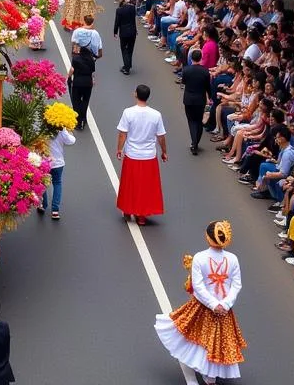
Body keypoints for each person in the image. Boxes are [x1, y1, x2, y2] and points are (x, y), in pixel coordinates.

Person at [154, 220, 246, 383]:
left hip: (202, 308)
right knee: (216, 344)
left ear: (207, 237)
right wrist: (224, 304)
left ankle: (193, 379)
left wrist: (214, 304)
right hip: (223, 310)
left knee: (188, 341)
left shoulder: (200, 257)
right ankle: (209, 378)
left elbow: (198, 286)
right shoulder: (233, 259)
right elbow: (236, 284)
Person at [116, 84, 168, 226]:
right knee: (146, 186)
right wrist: (164, 152)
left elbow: (123, 134)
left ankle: (128, 210)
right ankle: (142, 216)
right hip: (149, 155)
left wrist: (119, 149)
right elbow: (161, 136)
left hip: (132, 153)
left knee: (130, 183)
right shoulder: (156, 115)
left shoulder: (128, 112)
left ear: (135, 94)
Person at [180, 49, 212, 155]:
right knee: (198, 121)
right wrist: (210, 97)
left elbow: (183, 82)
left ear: (191, 58)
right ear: (200, 58)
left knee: (191, 121)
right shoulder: (205, 71)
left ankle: (194, 142)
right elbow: (208, 87)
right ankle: (196, 142)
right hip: (200, 99)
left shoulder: (186, 70)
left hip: (188, 99)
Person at [68, 42, 96, 130]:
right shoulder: (91, 60)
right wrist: (93, 80)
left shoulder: (76, 59)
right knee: (85, 101)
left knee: (76, 101)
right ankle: (83, 118)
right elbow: (92, 73)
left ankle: (78, 121)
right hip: (88, 83)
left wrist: (69, 77)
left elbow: (72, 69)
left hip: (78, 82)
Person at [113, 0, 138, 75]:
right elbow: (133, 20)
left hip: (124, 32)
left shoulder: (119, 10)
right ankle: (128, 65)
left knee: (124, 49)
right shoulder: (132, 8)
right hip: (132, 31)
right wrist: (136, 29)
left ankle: (127, 68)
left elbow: (117, 22)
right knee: (130, 49)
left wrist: (115, 32)